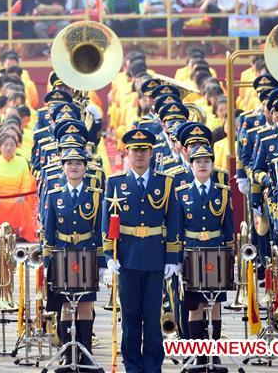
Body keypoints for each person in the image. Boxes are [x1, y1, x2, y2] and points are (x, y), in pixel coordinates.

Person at [103, 128, 182, 373]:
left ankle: (152, 364)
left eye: (143, 150)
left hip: (155, 257)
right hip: (126, 257)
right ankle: (133, 366)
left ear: (151, 153)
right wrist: (108, 256)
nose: (139, 155)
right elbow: (108, 221)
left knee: (152, 317)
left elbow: (173, 221)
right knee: (130, 317)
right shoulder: (115, 183)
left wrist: (172, 257)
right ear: (127, 153)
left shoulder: (165, 183)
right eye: (134, 150)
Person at [43, 145, 105, 366]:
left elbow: (100, 229)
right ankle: (68, 352)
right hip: (62, 254)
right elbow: (49, 230)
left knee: (85, 304)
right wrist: (46, 260)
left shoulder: (95, 195)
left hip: (86, 253)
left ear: (85, 168)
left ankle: (86, 353)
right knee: (66, 306)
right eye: (69, 163)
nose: (74, 167)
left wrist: (102, 262)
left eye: (78, 163)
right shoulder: (55, 195)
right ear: (63, 168)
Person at [172, 143, 233, 349]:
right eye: (198, 162)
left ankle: (212, 354)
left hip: (216, 254)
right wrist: (178, 260)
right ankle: (198, 353)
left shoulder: (223, 193)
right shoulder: (182, 193)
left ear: (213, 165)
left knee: (215, 305)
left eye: (207, 161)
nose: (202, 165)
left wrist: (229, 258)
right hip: (192, 253)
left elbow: (229, 229)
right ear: (191, 166)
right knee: (195, 307)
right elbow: (177, 229)